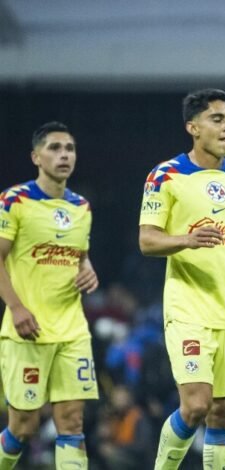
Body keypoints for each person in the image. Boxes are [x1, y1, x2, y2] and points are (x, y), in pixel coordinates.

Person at [138, 88, 225, 469]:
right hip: (187, 309)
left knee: (224, 412)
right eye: (217, 119)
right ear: (193, 127)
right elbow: (147, 240)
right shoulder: (166, 175)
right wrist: (186, 239)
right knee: (197, 405)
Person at [0, 121, 100, 470]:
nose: (64, 155)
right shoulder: (14, 201)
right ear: (36, 157)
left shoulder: (81, 207)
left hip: (72, 330)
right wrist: (15, 307)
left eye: (69, 149)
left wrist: (88, 270)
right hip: (29, 330)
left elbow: (79, 257)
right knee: (23, 427)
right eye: (55, 148)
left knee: (72, 422)